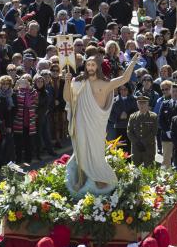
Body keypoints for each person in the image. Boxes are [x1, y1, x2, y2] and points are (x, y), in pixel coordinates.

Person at [63, 53, 141, 195]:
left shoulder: (105, 84)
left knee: (96, 152)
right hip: (81, 121)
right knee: (81, 149)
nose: (90, 67)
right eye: (88, 65)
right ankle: (81, 179)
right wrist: (67, 82)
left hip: (97, 123)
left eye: (93, 65)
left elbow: (124, 78)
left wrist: (133, 62)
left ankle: (99, 178)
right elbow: (67, 98)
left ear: (97, 67)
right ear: (85, 67)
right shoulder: (78, 82)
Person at [127, 95, 158, 167]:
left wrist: (143, 142)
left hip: (148, 147)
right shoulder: (133, 117)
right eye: (140, 103)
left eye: (144, 103)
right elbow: (129, 131)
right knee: (136, 170)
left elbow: (154, 132)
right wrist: (137, 142)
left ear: (147, 104)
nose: (142, 105)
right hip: (136, 148)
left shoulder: (153, 117)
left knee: (149, 170)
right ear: (137, 104)